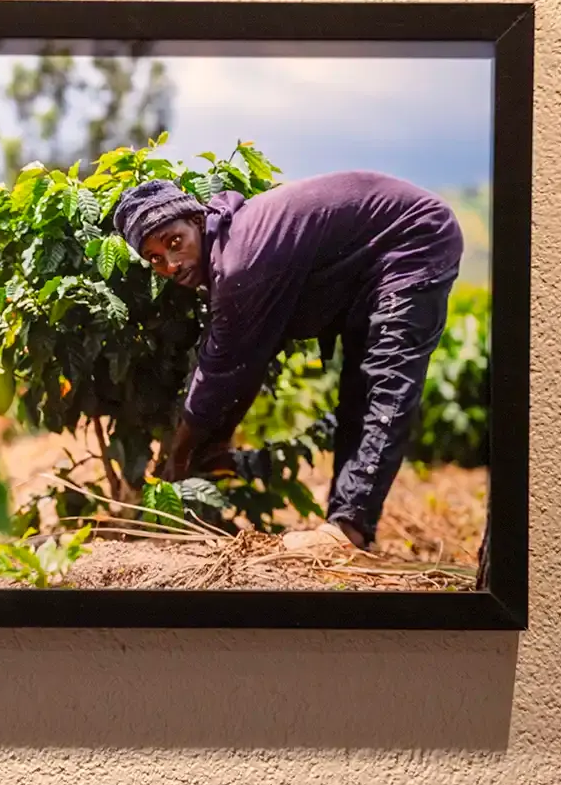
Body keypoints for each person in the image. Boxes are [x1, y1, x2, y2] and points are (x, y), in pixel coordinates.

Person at [112, 169, 465, 553]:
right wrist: (216, 441)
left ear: (198, 221)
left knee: (385, 384)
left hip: (411, 238)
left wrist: (177, 460)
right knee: (358, 394)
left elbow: (220, 371)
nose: (171, 264)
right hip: (372, 262)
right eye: (155, 259)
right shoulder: (229, 247)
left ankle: (349, 529)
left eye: (174, 242)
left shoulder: (239, 260)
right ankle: (348, 526)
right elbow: (243, 364)